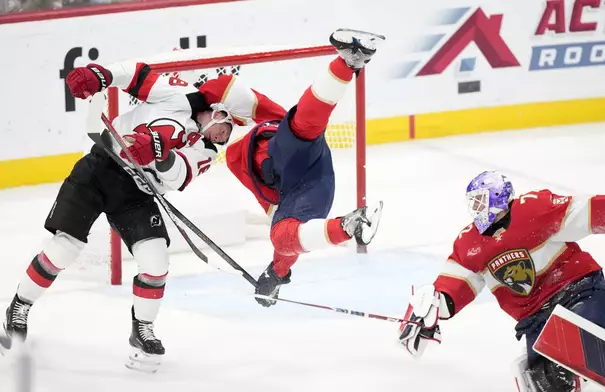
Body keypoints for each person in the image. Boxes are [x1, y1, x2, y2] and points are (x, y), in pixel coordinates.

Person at [1, 59, 234, 372]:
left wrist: (159, 154)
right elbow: (134, 74)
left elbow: (179, 177)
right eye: (225, 125)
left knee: (156, 260)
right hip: (100, 169)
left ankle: (142, 331)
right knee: (64, 248)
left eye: (226, 135)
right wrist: (100, 75)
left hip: (136, 192)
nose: (222, 135)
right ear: (217, 108)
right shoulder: (176, 97)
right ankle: (19, 306)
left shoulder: (206, 150)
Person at [397, 170, 605, 391]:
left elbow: (583, 213)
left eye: (480, 200)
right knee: (544, 380)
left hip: (580, 292)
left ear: (498, 197)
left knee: (577, 351)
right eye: (472, 202)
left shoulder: (533, 209)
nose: (476, 208)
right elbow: (455, 284)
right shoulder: (469, 244)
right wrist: (429, 310)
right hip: (537, 320)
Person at [196, 29, 385, 307]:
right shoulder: (233, 160)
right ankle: (350, 225)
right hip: (304, 189)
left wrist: (183, 95)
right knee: (280, 237)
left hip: (294, 152)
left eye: (203, 125)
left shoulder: (241, 107)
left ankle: (349, 61)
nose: (208, 136)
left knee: (303, 126)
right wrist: (276, 273)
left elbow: (220, 87)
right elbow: (278, 218)